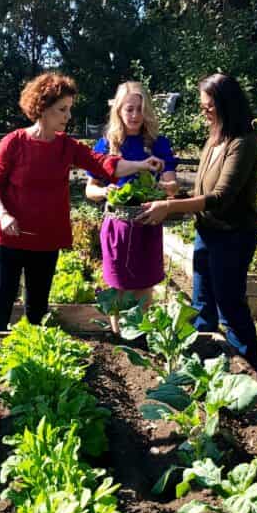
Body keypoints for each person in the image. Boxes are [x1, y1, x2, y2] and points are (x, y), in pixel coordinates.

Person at [0, 72, 162, 331]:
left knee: (38, 308)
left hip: (45, 240)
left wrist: (141, 164)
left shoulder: (67, 146)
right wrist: (4, 215)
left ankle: (33, 358)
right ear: (42, 109)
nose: (68, 116)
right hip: (8, 237)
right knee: (1, 300)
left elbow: (104, 164)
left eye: (69, 109)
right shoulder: (15, 142)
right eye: (62, 110)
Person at [136, 72, 257, 372]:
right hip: (207, 232)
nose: (203, 111)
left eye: (208, 106)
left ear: (225, 104)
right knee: (201, 303)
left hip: (233, 236)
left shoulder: (242, 143)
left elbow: (221, 197)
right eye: (202, 105)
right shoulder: (214, 139)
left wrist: (170, 206)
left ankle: (250, 369)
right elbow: (203, 192)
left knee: (230, 306)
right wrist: (175, 193)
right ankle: (206, 367)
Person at [85, 81, 178, 331]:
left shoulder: (158, 144)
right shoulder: (107, 145)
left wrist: (163, 188)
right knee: (118, 285)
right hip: (118, 226)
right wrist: (105, 191)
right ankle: (119, 336)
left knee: (144, 286)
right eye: (129, 109)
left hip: (148, 223)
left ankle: (139, 333)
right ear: (119, 111)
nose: (135, 115)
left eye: (140, 109)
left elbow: (172, 186)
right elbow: (89, 189)